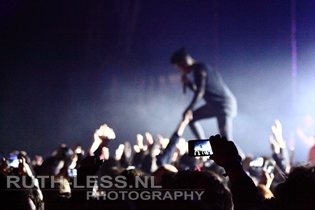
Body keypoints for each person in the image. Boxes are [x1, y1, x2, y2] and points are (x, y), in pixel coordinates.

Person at [170, 47, 237, 140]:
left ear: (183, 62)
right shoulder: (200, 69)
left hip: (223, 105)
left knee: (226, 141)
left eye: (179, 67)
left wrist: (189, 108)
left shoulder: (200, 69)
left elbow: (200, 92)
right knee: (191, 119)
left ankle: (240, 155)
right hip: (215, 105)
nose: (180, 70)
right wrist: (189, 84)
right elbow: (201, 90)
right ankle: (205, 149)